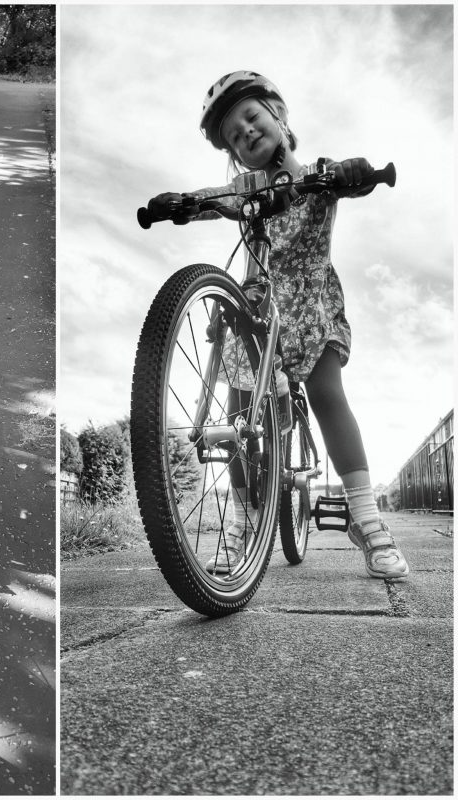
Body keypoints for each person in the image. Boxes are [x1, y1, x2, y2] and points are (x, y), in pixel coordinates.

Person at [147, 70, 409, 579]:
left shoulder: (321, 176)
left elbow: (353, 181)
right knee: (238, 416)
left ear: (279, 118)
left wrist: (360, 173)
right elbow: (211, 198)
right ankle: (245, 522)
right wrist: (179, 203)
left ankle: (368, 520)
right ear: (234, 154)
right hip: (257, 314)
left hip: (311, 307)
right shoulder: (243, 190)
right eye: (232, 136)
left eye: (251, 117)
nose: (244, 131)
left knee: (329, 395)